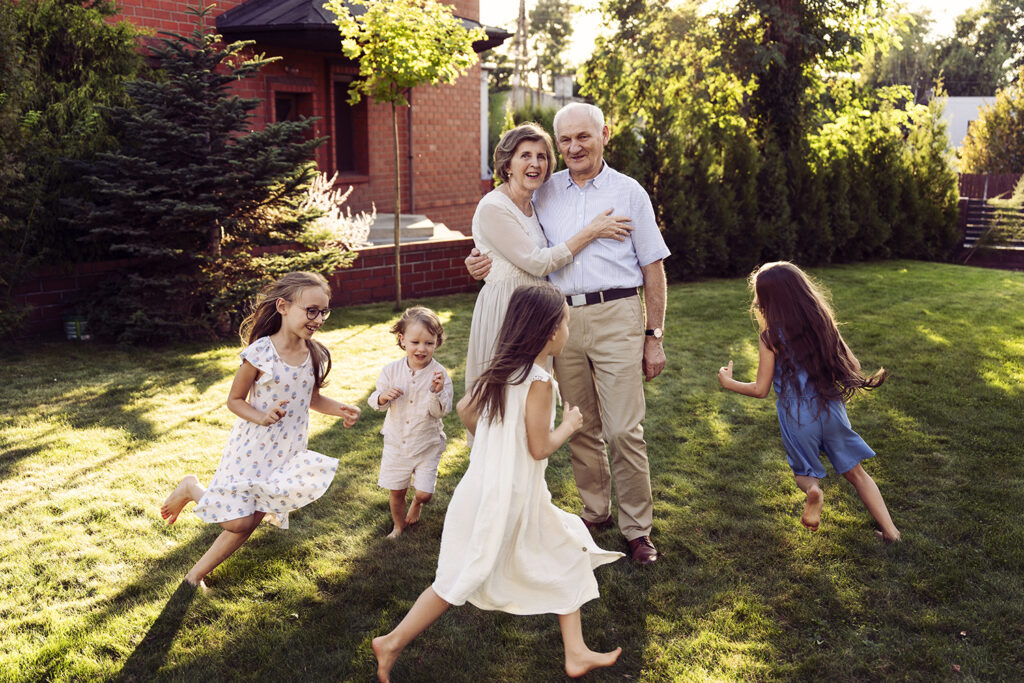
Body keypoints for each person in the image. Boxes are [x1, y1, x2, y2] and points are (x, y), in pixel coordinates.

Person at [371, 283, 623, 683]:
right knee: (460, 577)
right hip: (511, 495)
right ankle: (392, 641)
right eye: (566, 324)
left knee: (566, 548)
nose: (568, 332)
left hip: (486, 486)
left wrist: (495, 435)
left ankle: (575, 652)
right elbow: (540, 447)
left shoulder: (503, 369)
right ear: (549, 330)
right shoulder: (539, 381)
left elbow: (464, 410)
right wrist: (571, 425)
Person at [466, 103, 670, 564]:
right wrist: (479, 261)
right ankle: (595, 512)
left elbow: (653, 266)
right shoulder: (543, 192)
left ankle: (637, 530)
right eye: (566, 140)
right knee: (580, 425)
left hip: (617, 315)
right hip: (558, 324)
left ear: (604, 135)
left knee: (623, 430)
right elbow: (511, 237)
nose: (574, 147)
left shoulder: (628, 191)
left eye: (584, 137)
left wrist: (653, 333)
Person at [159, 272, 362, 589]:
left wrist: (341, 409)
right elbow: (235, 400)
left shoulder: (314, 354)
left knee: (248, 523)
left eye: (324, 311)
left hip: (287, 454)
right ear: (282, 306)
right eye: (311, 310)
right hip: (253, 448)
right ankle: (191, 488)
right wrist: (261, 415)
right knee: (238, 521)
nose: (318, 318)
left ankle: (194, 576)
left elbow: (311, 397)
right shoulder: (260, 353)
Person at [717, 261, 901, 542]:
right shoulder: (823, 324)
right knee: (858, 474)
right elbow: (853, 364)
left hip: (797, 415)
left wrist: (728, 382)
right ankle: (891, 532)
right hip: (831, 409)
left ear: (769, 303)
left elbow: (760, 389)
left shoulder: (771, 338)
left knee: (803, 474)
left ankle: (813, 491)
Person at [465, 122, 634, 393]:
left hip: (537, 311)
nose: (535, 163)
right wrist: (591, 231)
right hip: (508, 310)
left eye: (542, 156)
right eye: (526, 156)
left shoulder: (536, 202)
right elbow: (538, 261)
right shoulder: (493, 207)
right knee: (506, 401)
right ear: (507, 165)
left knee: (533, 402)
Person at [369, 306, 453, 538]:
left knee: (425, 493)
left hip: (427, 444)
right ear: (402, 340)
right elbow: (375, 401)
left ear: (437, 342)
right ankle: (398, 526)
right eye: (415, 342)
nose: (421, 348)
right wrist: (383, 397)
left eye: (428, 342)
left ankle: (417, 503)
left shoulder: (440, 375)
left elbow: (440, 413)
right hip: (397, 443)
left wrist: (436, 392)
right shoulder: (391, 371)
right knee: (397, 491)